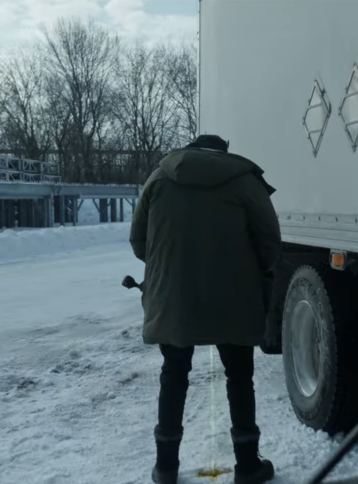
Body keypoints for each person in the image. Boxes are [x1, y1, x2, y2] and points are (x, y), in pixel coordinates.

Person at [129, 134, 281, 484]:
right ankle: (247, 465)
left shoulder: (158, 178)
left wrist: (168, 268)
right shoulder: (244, 180)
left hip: (173, 298)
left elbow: (139, 242)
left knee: (174, 374)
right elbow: (269, 243)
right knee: (240, 376)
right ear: (222, 154)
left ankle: (165, 466)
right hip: (235, 295)